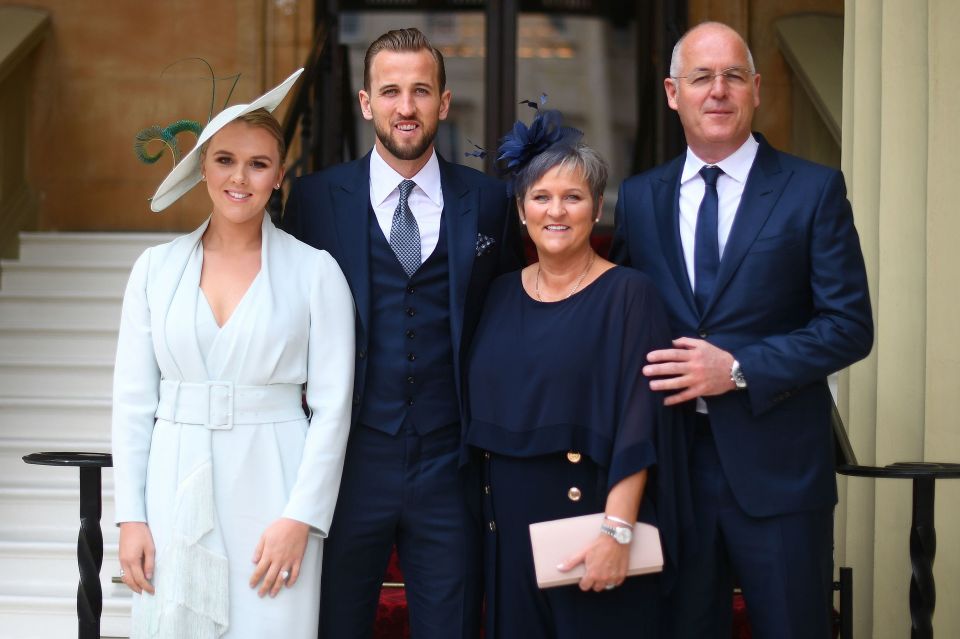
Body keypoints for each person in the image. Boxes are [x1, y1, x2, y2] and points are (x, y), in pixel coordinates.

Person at [610, 21, 874, 638]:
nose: (718, 90)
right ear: (674, 93)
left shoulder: (812, 190)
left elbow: (848, 327)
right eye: (702, 77)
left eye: (733, 76)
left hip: (780, 473)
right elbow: (620, 322)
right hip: (672, 474)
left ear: (755, 89)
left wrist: (736, 369)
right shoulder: (641, 198)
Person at [281, 28, 523, 639]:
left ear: (444, 102)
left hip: (451, 460)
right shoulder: (313, 200)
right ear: (366, 103)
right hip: (349, 460)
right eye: (390, 91)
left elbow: (516, 314)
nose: (405, 107)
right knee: (334, 622)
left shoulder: (491, 202)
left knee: (452, 624)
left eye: (421, 91)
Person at [112, 69, 356, 639]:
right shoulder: (155, 270)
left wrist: (302, 517)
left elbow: (333, 407)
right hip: (172, 484)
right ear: (203, 168)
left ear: (279, 176)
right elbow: (130, 404)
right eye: (225, 160)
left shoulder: (315, 272)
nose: (239, 178)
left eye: (258, 163)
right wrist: (131, 518)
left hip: (274, 483)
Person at [465, 110, 690, 639]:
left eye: (574, 197)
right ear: (521, 211)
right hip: (508, 530)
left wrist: (617, 530)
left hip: (590, 523)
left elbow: (640, 423)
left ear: (596, 209)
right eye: (541, 197)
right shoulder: (497, 295)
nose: (556, 211)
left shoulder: (630, 295)